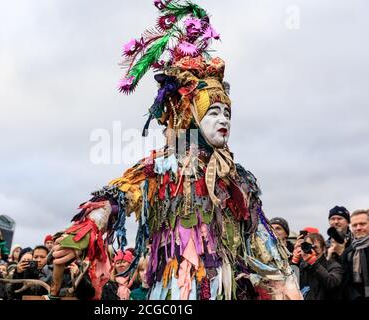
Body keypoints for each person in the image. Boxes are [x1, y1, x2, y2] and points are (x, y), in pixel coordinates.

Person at [50, 0, 300, 301]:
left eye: (227, 114)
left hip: (225, 289)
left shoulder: (237, 178)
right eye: (214, 113)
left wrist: (284, 281)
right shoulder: (160, 167)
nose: (223, 120)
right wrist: (86, 228)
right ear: (190, 116)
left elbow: (259, 235)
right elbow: (119, 195)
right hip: (171, 292)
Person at [292, 233, 343, 300]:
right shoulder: (302, 266)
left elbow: (332, 284)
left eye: (315, 247)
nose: (312, 250)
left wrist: (313, 263)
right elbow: (289, 284)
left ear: (324, 249)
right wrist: (294, 263)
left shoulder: (333, 266)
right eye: (308, 247)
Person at [341, 209, 369, 300]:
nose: (358, 228)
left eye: (362, 224)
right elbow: (346, 282)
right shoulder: (348, 252)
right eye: (354, 225)